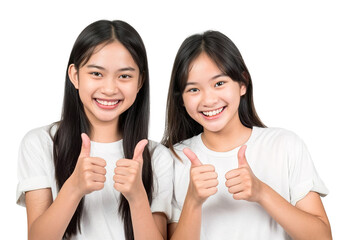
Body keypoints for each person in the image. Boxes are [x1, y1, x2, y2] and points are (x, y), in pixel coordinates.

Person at [163, 30, 332, 240]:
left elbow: (322, 237)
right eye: (193, 90)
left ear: (242, 83)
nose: (208, 100)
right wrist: (193, 201)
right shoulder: (171, 159)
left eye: (219, 83)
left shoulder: (284, 145)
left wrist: (261, 192)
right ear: (181, 99)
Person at [16, 20, 172, 240]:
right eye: (96, 74)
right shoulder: (40, 143)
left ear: (140, 82)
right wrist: (74, 187)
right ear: (75, 75)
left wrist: (137, 197)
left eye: (125, 76)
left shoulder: (157, 157)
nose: (109, 88)